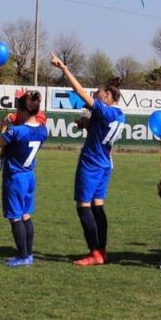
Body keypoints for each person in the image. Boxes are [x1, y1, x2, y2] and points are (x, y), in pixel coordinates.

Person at [51, 54, 125, 266]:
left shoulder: (103, 109)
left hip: (91, 164)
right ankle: (101, 250)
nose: (96, 93)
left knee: (83, 206)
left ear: (109, 95)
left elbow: (79, 91)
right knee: (97, 207)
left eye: (100, 92)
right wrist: (87, 125)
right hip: (105, 165)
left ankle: (94, 253)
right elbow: (102, 130)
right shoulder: (120, 115)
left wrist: (63, 68)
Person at [0, 91, 48, 268]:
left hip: (15, 177)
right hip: (30, 176)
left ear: (22, 110)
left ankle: (22, 257)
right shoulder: (43, 130)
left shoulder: (15, 131)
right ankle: (28, 254)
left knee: (15, 217)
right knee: (26, 215)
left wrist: (2, 126)